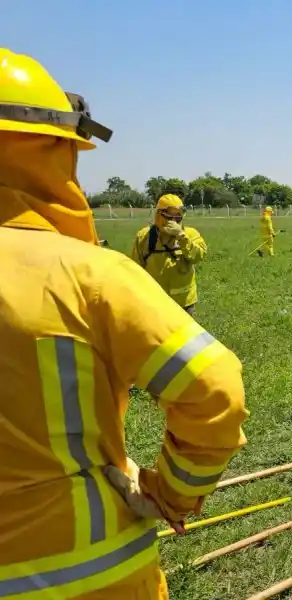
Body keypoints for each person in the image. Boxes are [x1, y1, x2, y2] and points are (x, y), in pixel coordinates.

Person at [0, 47, 248, 599]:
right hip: (90, 576)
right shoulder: (86, 271)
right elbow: (213, 388)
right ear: (55, 153)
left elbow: (199, 257)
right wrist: (171, 494)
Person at [131, 194, 208, 316]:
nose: (174, 221)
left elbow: (199, 256)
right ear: (159, 215)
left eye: (178, 217)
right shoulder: (144, 236)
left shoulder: (190, 234)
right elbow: (135, 269)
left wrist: (181, 236)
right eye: (170, 216)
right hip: (155, 303)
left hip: (184, 303)